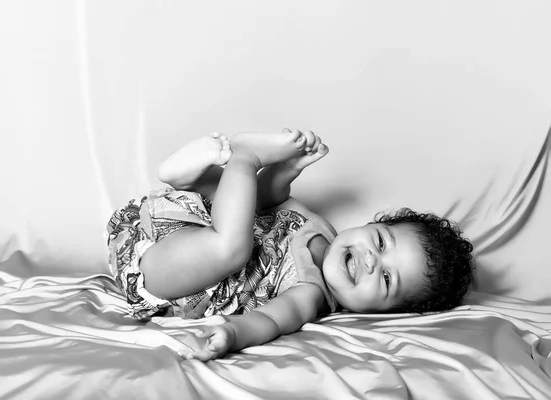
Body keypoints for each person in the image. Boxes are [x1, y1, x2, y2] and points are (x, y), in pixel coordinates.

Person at [106, 129, 474, 361]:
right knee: (235, 206)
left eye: (387, 280)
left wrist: (232, 334)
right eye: (380, 242)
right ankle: (183, 176)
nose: (370, 261)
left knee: (233, 249)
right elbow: (268, 203)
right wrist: (286, 173)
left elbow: (268, 320)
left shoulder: (310, 295)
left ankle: (243, 157)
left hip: (164, 274)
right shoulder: (319, 227)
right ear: (370, 224)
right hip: (171, 220)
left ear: (381, 311)